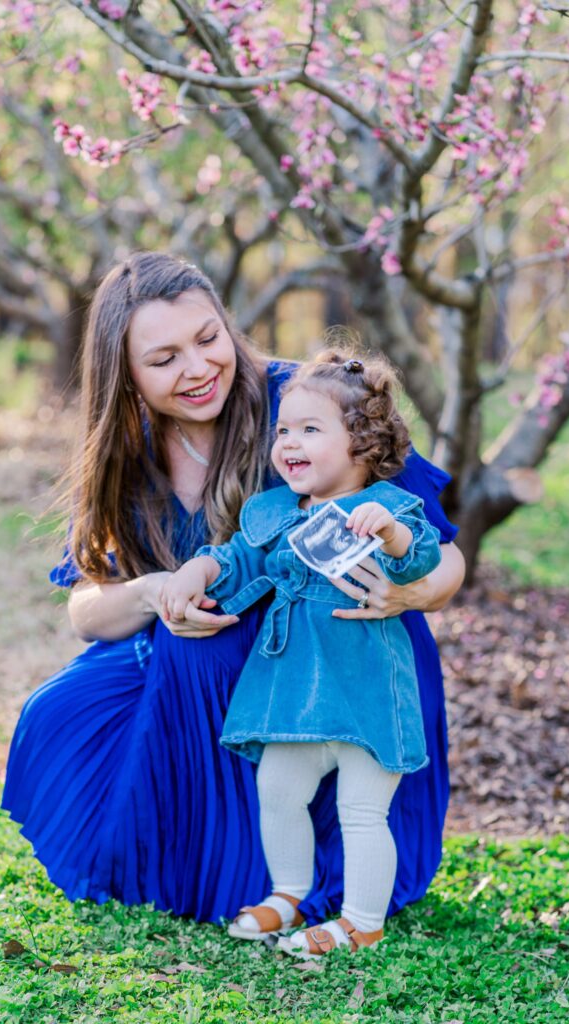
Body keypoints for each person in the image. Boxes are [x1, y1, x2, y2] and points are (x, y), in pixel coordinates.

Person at [1, 251, 464, 926]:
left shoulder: (306, 402)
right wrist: (157, 590)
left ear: (227, 323)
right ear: (123, 372)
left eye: (207, 337)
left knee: (199, 652)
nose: (197, 368)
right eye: (163, 359)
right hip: (200, 665)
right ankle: (195, 859)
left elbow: (444, 560)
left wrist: (405, 594)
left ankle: (262, 874)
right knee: (64, 708)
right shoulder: (127, 450)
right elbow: (87, 611)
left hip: (338, 665)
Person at [161, 351, 442, 957]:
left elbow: (419, 557)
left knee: (362, 809)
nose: (288, 442)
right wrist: (199, 566)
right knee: (278, 789)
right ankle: (288, 891)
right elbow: (241, 561)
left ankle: (362, 922)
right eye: (284, 430)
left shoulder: (389, 507)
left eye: (310, 430)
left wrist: (390, 534)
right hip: (293, 692)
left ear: (362, 444)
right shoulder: (277, 513)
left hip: (365, 687)